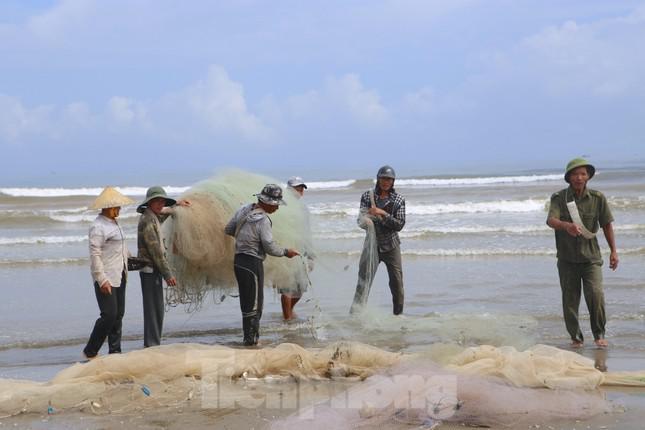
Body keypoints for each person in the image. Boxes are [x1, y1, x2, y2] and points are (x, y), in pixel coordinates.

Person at [546, 158, 618, 348]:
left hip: (591, 259)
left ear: (588, 177)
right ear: (569, 177)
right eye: (575, 174)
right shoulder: (559, 198)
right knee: (570, 300)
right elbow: (551, 220)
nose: (579, 177)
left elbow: (607, 225)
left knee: (596, 295)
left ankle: (599, 335)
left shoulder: (597, 198)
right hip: (567, 259)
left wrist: (614, 251)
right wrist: (566, 225)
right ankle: (576, 338)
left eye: (583, 174)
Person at [225, 184, 299, 346]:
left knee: (246, 302)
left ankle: (249, 338)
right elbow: (269, 246)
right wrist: (286, 252)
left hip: (239, 261)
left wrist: (244, 239)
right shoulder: (263, 220)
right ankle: (251, 342)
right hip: (252, 263)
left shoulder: (244, 209)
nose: (277, 208)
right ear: (267, 202)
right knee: (255, 305)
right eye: (276, 204)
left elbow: (229, 229)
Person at [83, 187, 135, 360]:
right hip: (107, 277)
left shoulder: (113, 223)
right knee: (109, 315)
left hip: (120, 273)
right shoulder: (98, 226)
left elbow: (119, 247)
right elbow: (95, 254)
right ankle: (90, 350)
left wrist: (129, 258)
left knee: (118, 314)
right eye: (116, 206)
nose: (119, 209)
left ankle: (115, 351)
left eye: (119, 206)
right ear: (106, 207)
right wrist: (101, 279)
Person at [136, 186, 190, 348]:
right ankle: (151, 345)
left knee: (158, 308)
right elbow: (156, 252)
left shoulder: (153, 217)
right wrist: (168, 275)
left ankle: (154, 343)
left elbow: (164, 216)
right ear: (149, 202)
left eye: (162, 201)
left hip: (154, 270)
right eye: (157, 201)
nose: (160, 204)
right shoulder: (147, 220)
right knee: (153, 309)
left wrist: (177, 205)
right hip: (150, 270)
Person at [350, 165, 406, 315]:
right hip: (371, 245)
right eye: (383, 178)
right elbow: (359, 220)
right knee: (363, 283)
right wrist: (365, 221)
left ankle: (398, 316)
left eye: (388, 179)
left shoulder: (399, 200)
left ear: (393, 181)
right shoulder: (367, 196)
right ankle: (355, 317)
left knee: (397, 285)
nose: (385, 182)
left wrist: (382, 213)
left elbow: (399, 225)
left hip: (391, 245)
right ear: (378, 179)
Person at [279, 176, 316, 321]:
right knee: (287, 287)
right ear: (289, 189)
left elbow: (307, 231)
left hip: (300, 251)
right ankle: (287, 317)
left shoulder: (303, 208)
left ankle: (289, 311)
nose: (300, 191)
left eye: (301, 188)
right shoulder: (282, 206)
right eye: (297, 188)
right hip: (286, 252)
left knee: (301, 288)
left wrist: (311, 255)